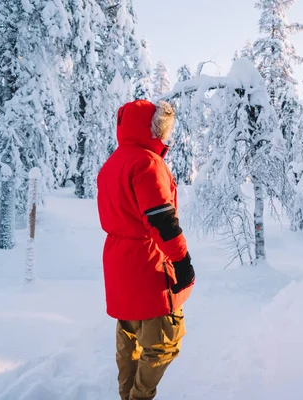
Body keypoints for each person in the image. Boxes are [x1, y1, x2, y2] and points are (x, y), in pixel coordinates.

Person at [97, 99, 195, 400]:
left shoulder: (113, 163)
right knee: (165, 341)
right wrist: (182, 261)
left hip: (117, 262)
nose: (166, 136)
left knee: (130, 337)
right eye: (164, 129)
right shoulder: (147, 164)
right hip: (147, 263)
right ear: (154, 128)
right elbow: (161, 221)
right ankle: (139, 397)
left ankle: (127, 394)